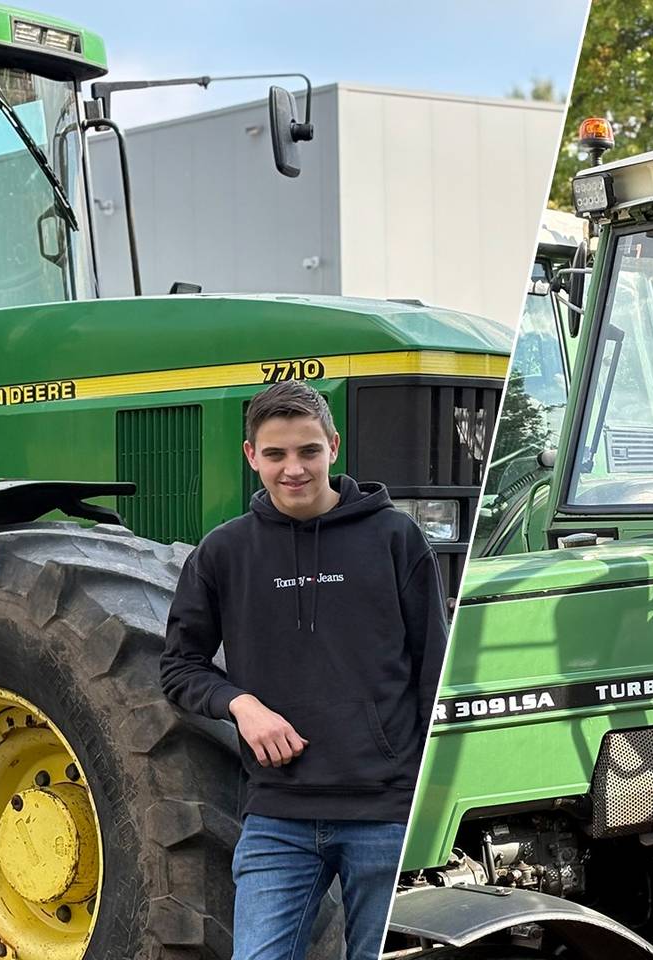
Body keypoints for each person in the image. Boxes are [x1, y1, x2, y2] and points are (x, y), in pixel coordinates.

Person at [160, 380, 448, 960]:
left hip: (385, 816)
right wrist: (241, 705)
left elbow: (434, 671)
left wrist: (424, 799)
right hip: (278, 817)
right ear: (251, 457)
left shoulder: (396, 538)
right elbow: (180, 666)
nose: (293, 469)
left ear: (333, 448)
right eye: (275, 454)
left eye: (308, 451)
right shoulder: (223, 552)